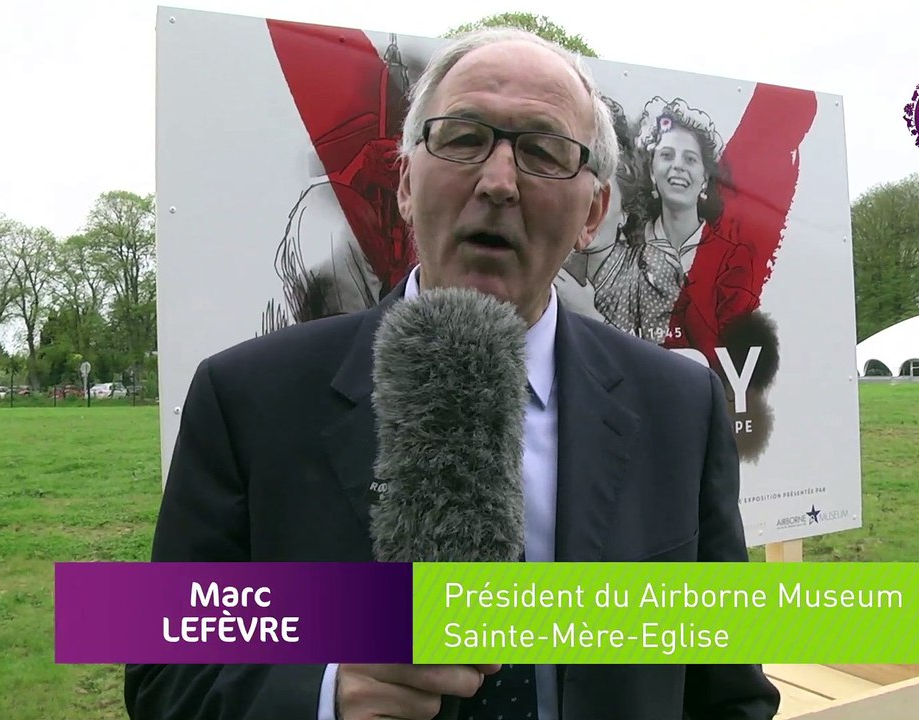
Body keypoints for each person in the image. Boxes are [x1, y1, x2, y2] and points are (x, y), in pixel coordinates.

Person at [125, 27, 781, 720]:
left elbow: (729, 692)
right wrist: (324, 693)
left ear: (592, 213)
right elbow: (165, 678)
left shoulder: (680, 406)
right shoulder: (248, 402)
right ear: (406, 184)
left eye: (544, 151)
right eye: (463, 138)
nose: (498, 182)